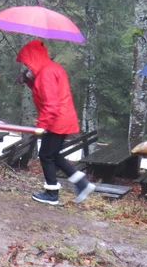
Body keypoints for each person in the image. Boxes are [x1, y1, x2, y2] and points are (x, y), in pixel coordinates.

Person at [16, 39, 95, 205]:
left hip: (56, 120)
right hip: (61, 118)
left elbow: (50, 103)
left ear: (33, 58)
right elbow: (44, 92)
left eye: (27, 62)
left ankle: (52, 193)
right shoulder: (49, 68)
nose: (27, 66)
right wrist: (29, 79)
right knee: (54, 155)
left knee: (45, 155)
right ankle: (82, 183)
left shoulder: (46, 73)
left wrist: (41, 125)